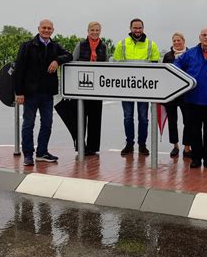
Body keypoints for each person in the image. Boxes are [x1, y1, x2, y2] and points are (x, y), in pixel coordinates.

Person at [14, 19, 72, 166]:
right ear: (39, 28)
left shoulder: (55, 46)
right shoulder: (27, 46)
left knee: (47, 123)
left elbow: (69, 55)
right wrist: (19, 92)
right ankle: (28, 155)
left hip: (47, 93)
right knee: (29, 124)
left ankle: (42, 153)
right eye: (44, 28)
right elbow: (19, 70)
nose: (46, 30)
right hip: (30, 93)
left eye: (49, 28)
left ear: (53, 30)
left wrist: (57, 61)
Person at [174, 27, 207, 169]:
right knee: (194, 130)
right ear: (199, 37)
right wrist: (183, 82)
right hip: (192, 99)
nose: (206, 37)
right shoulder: (190, 53)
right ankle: (196, 158)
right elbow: (176, 65)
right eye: (204, 35)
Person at [113, 18, 160, 156]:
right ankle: (129, 144)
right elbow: (115, 66)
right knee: (128, 117)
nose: (137, 30)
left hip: (144, 89)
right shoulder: (122, 44)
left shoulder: (151, 45)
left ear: (143, 29)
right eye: (135, 28)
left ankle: (142, 145)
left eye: (140, 28)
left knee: (143, 118)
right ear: (130, 28)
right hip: (126, 88)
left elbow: (156, 68)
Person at [72, 22, 108, 156]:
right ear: (88, 31)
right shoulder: (80, 45)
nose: (95, 32)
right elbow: (73, 63)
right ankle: (81, 146)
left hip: (97, 89)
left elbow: (106, 66)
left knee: (95, 118)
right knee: (80, 118)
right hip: (82, 88)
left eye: (97, 30)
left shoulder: (104, 46)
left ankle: (93, 147)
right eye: (92, 30)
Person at [162, 32, 192, 158]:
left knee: (188, 121)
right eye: (174, 41)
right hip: (171, 94)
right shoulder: (168, 56)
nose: (176, 43)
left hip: (186, 94)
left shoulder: (191, 55)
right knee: (172, 121)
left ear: (184, 41)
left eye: (179, 40)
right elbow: (163, 74)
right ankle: (175, 146)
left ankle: (187, 147)